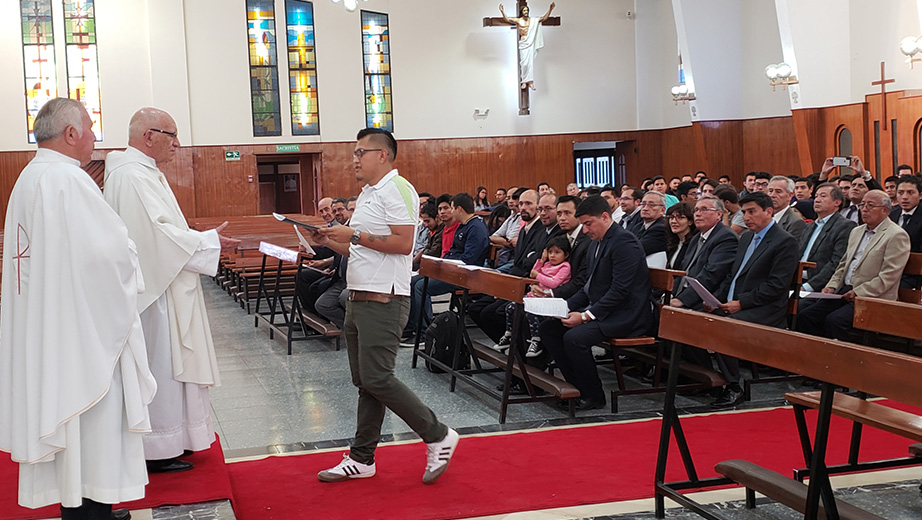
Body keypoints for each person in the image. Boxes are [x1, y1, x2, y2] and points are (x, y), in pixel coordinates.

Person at [0, 98, 157, 520]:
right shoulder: (69, 180)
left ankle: (81, 505)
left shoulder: (29, 179)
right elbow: (109, 257)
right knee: (93, 433)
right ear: (70, 134)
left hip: (51, 332)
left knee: (75, 441)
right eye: (90, 129)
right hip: (82, 341)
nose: (93, 138)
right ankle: (92, 509)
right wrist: (131, 250)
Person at [310, 128, 459, 484]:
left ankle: (438, 434)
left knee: (378, 377)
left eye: (361, 152)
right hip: (359, 296)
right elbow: (358, 248)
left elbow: (404, 243)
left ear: (383, 155)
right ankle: (363, 459)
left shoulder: (398, 189)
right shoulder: (367, 194)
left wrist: (355, 234)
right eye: (354, 152)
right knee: (366, 381)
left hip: (385, 298)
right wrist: (331, 241)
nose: (355, 159)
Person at [104, 107, 238, 473]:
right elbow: (156, 237)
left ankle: (173, 438)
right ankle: (157, 446)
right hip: (155, 296)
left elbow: (161, 230)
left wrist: (202, 241)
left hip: (165, 284)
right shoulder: (132, 176)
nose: (177, 144)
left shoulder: (142, 172)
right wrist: (209, 241)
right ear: (148, 136)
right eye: (171, 134)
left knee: (169, 366)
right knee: (161, 365)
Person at [538, 196, 654, 411]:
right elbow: (588, 287)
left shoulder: (624, 242)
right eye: (582, 224)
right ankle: (575, 387)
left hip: (627, 315)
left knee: (575, 338)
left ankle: (593, 396)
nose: (585, 230)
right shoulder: (595, 243)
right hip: (605, 309)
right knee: (549, 328)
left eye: (588, 223)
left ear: (605, 216)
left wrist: (585, 316)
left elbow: (620, 291)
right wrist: (565, 307)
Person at [706, 192, 798, 408]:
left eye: (752, 211)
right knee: (692, 319)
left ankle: (734, 385)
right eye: (744, 212)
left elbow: (776, 286)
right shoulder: (746, 237)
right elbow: (732, 275)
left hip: (765, 309)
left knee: (724, 327)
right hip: (735, 302)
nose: (746, 217)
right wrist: (715, 299)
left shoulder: (784, 241)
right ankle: (708, 379)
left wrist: (741, 303)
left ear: (768, 211)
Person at [796, 190, 910, 341]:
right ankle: (815, 357)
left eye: (870, 205)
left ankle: (840, 361)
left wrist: (858, 292)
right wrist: (832, 286)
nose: (864, 209)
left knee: (835, 320)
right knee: (806, 315)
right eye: (862, 205)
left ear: (885, 210)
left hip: (873, 296)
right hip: (845, 291)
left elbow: (888, 276)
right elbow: (843, 264)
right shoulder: (856, 231)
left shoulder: (896, 235)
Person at [494, 236, 572, 358]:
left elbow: (554, 283)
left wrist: (538, 276)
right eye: (550, 252)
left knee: (530, 313)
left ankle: (536, 340)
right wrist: (541, 261)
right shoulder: (546, 264)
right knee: (510, 307)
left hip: (550, 300)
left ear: (566, 255)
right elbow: (532, 274)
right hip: (536, 296)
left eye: (557, 252)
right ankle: (509, 333)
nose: (552, 255)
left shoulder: (565, 267)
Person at [798, 183, 856, 293]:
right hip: (797, 281)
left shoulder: (845, 226)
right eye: (816, 196)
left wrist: (808, 287)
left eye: (823, 196)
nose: (817, 200)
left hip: (819, 286)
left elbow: (836, 262)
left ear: (837, 202)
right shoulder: (808, 227)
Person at [499, 2, 556, 91]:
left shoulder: (532, 21)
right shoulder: (518, 21)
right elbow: (507, 19)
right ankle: (524, 81)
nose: (526, 12)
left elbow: (544, 18)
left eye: (527, 10)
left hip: (530, 42)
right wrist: (502, 11)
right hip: (523, 43)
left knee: (530, 63)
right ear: (522, 11)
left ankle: (530, 82)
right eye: (524, 10)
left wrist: (550, 9)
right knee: (524, 63)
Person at [665, 202, 696, 270]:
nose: (674, 221)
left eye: (680, 217)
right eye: (671, 217)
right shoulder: (673, 243)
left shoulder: (693, 244)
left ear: (690, 221)